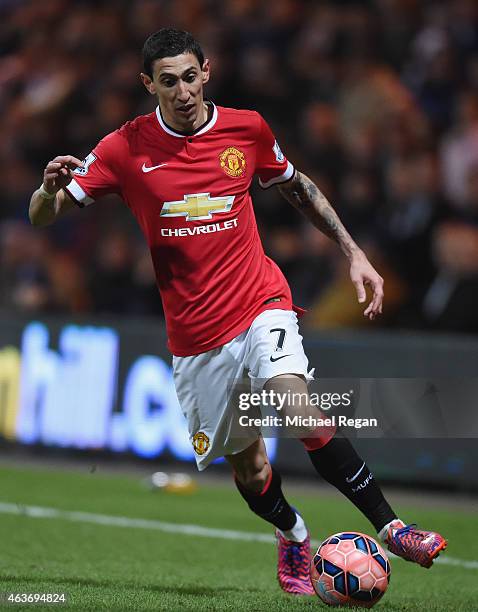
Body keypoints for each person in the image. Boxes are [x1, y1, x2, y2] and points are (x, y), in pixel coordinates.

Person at [29, 28, 447, 595]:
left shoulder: (246, 129)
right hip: (196, 337)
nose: (183, 91)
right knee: (250, 471)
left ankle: (394, 527)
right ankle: (294, 532)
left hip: (260, 302)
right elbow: (43, 218)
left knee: (295, 404)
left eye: (191, 76)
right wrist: (48, 191)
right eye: (168, 81)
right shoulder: (123, 149)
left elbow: (297, 187)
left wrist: (354, 254)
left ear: (207, 70)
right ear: (147, 84)